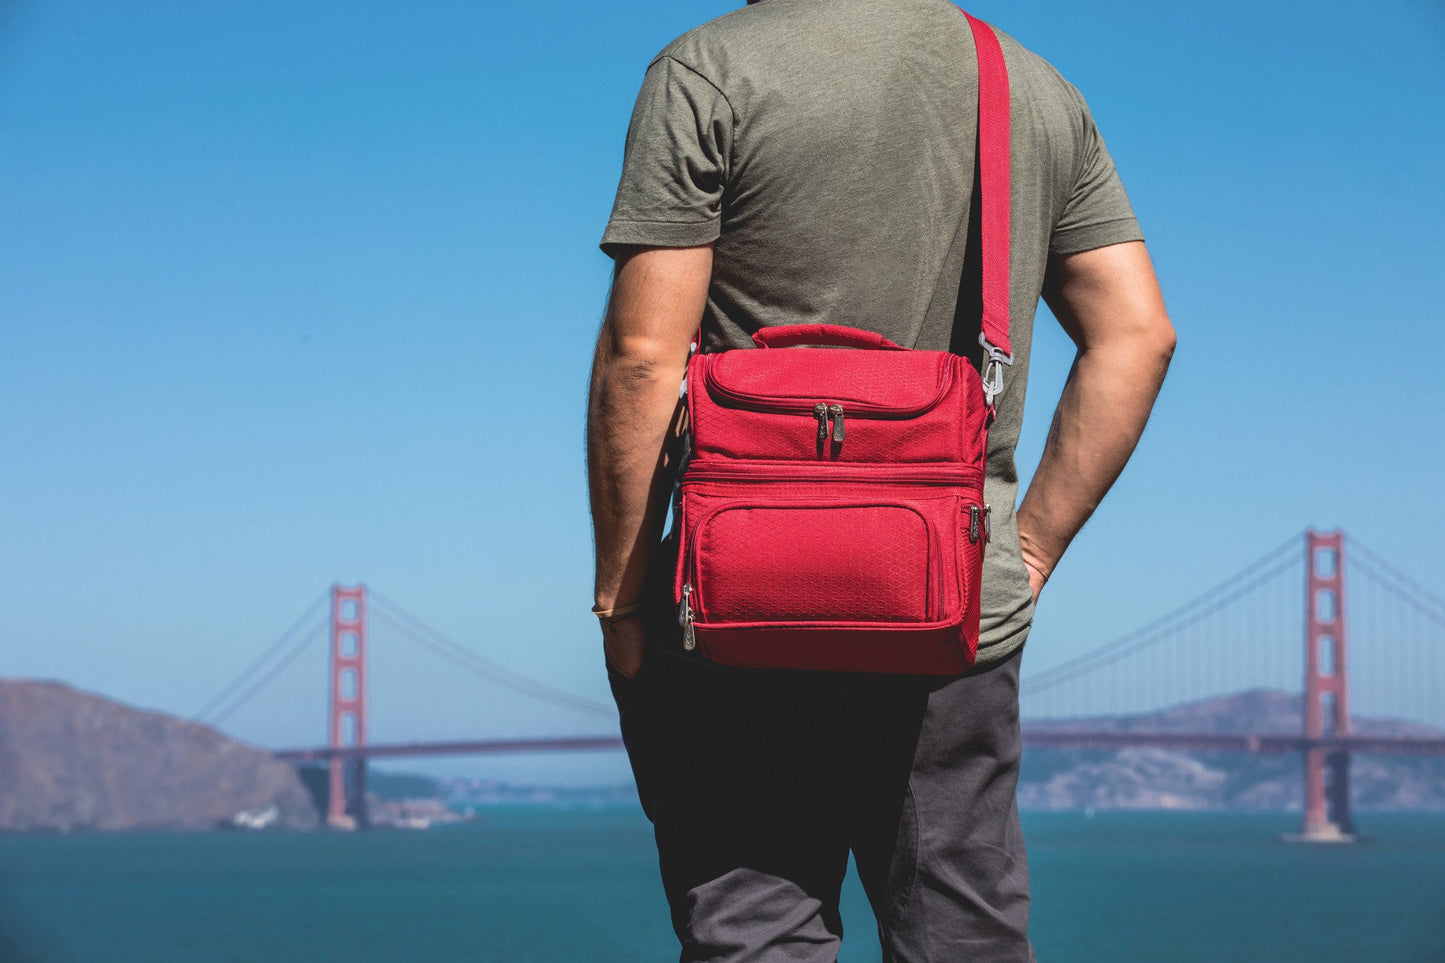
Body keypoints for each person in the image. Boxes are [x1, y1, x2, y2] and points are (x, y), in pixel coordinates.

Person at [586, 0, 1176, 959]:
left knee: (755, 935)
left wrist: (621, 596)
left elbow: (644, 357)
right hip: (952, 604)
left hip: (733, 609)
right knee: (962, 934)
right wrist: (1025, 549)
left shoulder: (707, 69)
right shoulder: (1031, 87)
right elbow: (1137, 336)